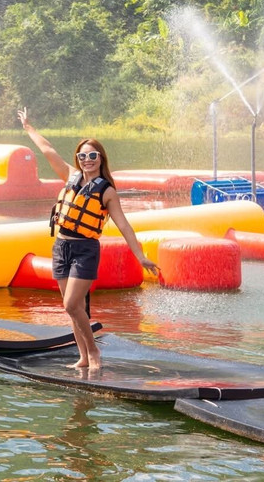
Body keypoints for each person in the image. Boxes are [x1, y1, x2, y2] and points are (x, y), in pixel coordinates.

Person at [18, 107, 157, 370]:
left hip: (85, 250)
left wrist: (140, 257)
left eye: (92, 155)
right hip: (61, 247)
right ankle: (82, 356)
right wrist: (28, 127)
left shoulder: (107, 191)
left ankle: (93, 351)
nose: (87, 160)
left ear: (101, 158)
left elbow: (124, 225)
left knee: (71, 304)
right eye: (82, 156)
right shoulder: (71, 176)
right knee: (74, 308)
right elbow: (48, 150)